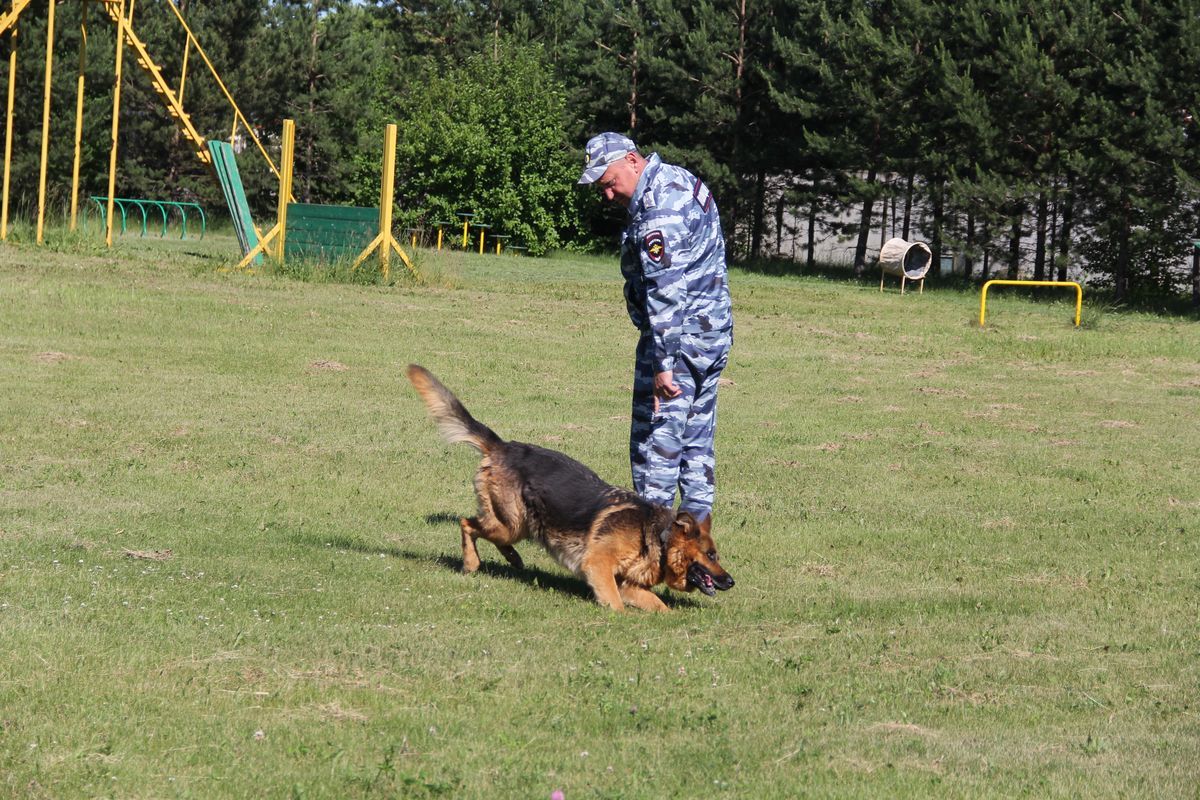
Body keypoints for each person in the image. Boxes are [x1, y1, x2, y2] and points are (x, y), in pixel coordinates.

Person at [578, 132, 733, 527]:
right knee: (696, 440)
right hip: (710, 334)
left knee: (655, 444)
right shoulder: (680, 180)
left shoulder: (659, 209)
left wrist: (663, 362)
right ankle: (696, 545)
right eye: (602, 189)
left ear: (632, 160)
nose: (609, 195)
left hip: (677, 342)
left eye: (610, 183)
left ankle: (653, 545)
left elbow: (666, 292)